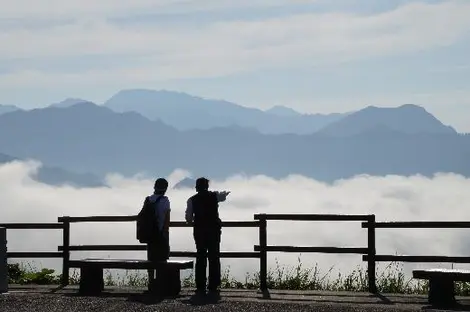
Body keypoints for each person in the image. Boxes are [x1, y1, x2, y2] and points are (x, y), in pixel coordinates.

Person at [185, 177, 230, 295]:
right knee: (214, 257)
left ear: (196, 187)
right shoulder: (214, 196)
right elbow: (222, 196)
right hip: (214, 231)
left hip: (199, 231)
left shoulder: (191, 200)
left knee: (200, 257)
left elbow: (189, 219)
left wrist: (194, 219)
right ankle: (213, 285)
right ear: (207, 186)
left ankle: (200, 285)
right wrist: (226, 193)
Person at [140, 177, 171, 289]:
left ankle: (151, 282)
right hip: (161, 233)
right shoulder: (165, 201)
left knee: (151, 258)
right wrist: (165, 233)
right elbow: (167, 219)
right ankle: (160, 282)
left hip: (150, 234)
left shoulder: (148, 199)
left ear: (155, 187)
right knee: (162, 259)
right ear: (165, 188)